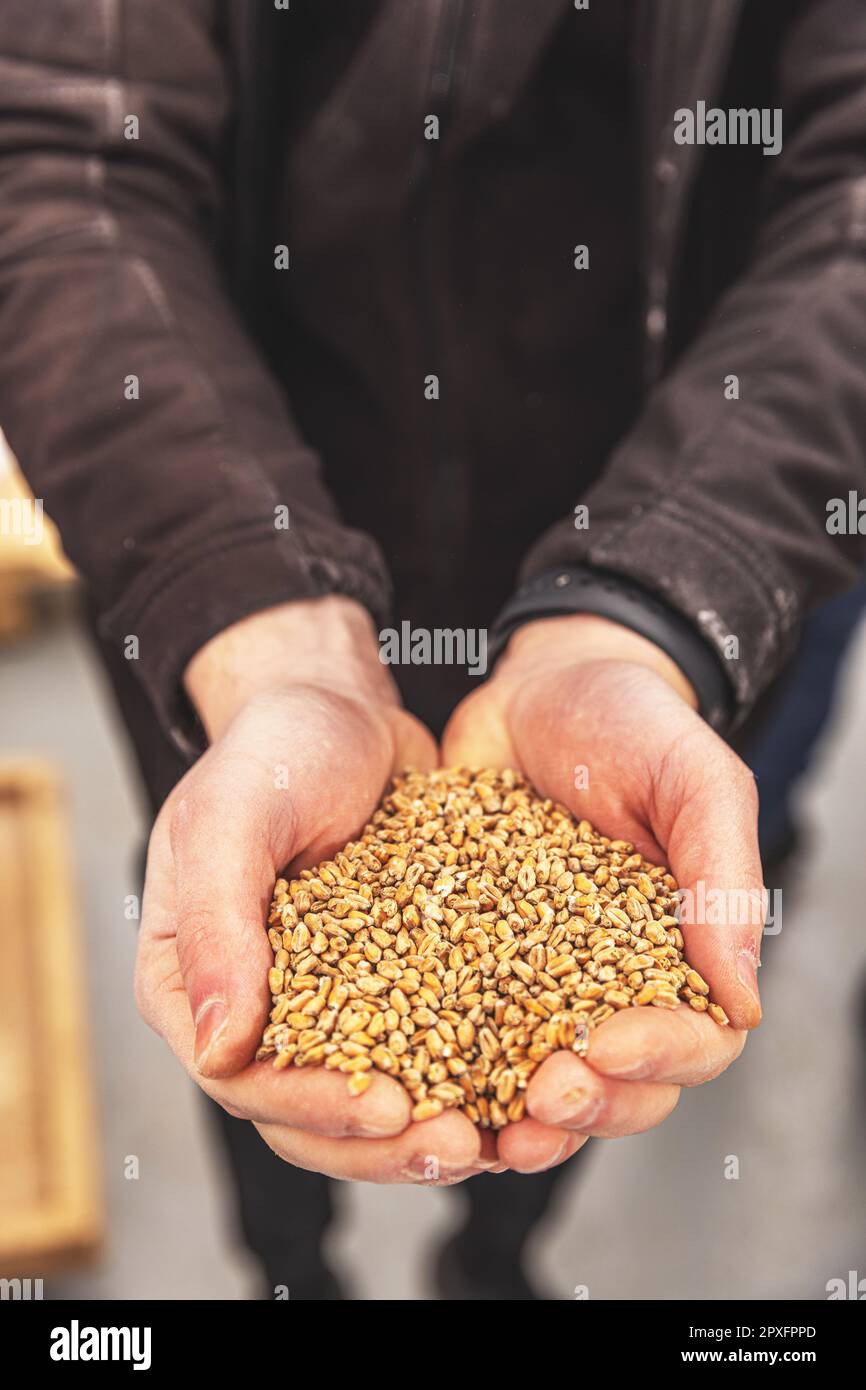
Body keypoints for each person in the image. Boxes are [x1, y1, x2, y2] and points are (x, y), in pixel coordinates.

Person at [0, 0, 864, 1301]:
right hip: (242, 531)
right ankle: (289, 1268)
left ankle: (494, 1258)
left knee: (581, 1057)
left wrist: (649, 605)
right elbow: (68, 160)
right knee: (241, 933)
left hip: (654, 517)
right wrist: (255, 620)